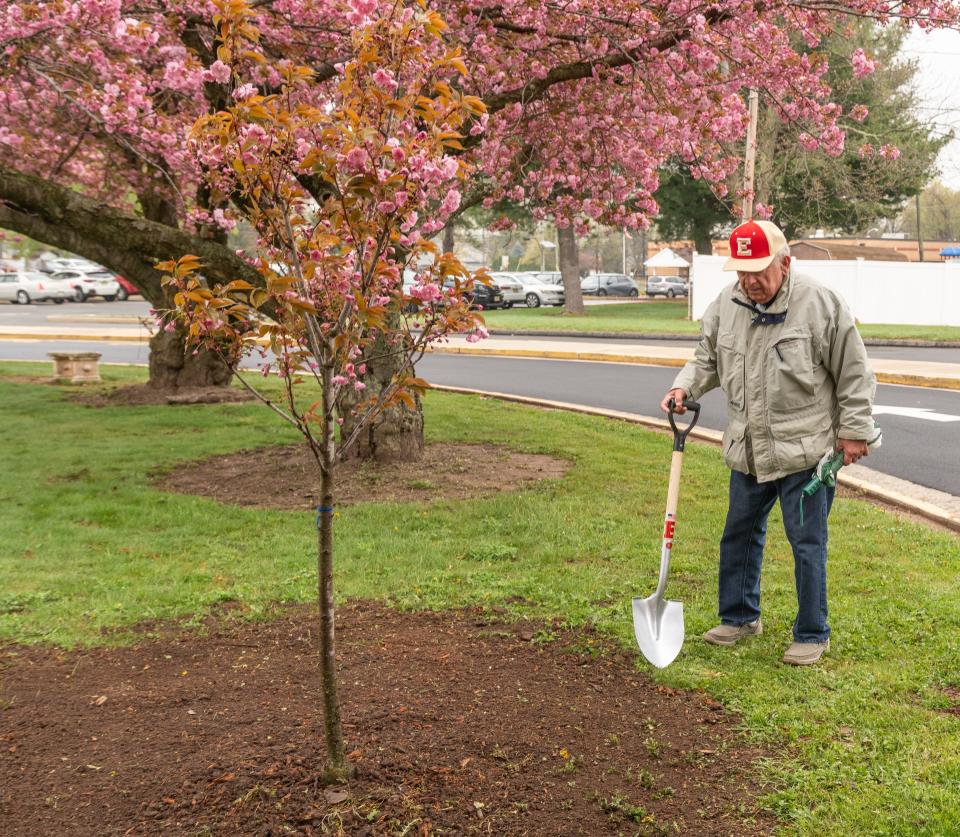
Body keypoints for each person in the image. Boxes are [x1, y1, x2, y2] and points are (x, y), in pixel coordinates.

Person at [660, 219, 876, 666]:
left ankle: (812, 633)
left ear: (785, 262)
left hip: (806, 454)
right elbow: (706, 359)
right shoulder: (727, 304)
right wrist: (686, 388)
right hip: (749, 449)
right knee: (738, 534)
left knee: (807, 542)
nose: (750, 281)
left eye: (759, 270)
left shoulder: (820, 304)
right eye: (741, 271)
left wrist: (854, 431)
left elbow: (854, 373)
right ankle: (739, 617)